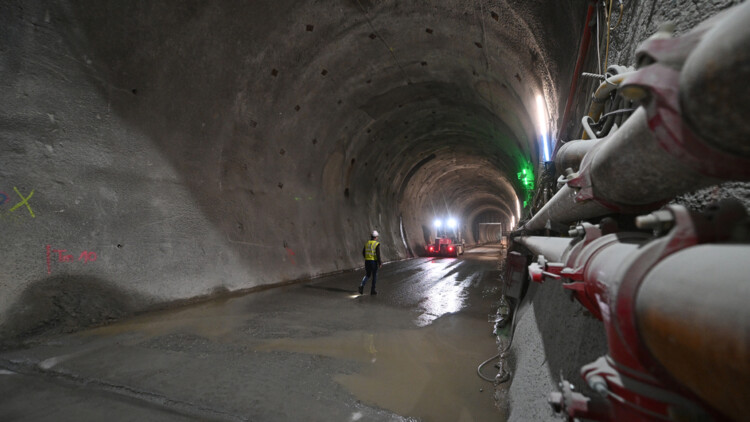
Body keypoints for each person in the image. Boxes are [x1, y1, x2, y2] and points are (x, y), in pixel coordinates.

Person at [359, 230, 382, 295]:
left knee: (367, 275)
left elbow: (363, 252)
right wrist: (380, 263)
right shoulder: (376, 244)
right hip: (373, 262)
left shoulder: (367, 243)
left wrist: (367, 258)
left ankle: (361, 285)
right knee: (374, 276)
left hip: (367, 261)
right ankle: (372, 290)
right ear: (376, 237)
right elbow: (378, 255)